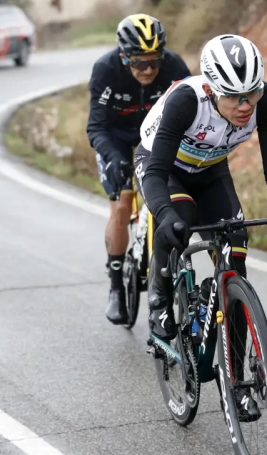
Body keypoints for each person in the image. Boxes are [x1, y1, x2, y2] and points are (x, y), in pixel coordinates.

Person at [135, 33, 267, 421]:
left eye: (251, 93)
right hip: (162, 168)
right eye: (234, 97)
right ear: (213, 88)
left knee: (236, 249)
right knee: (177, 221)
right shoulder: (187, 101)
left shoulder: (266, 102)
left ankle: (236, 383)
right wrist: (164, 216)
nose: (245, 105)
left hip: (210, 168)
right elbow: (155, 172)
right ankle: (159, 299)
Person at [86, 14, 191, 325]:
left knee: (169, 198)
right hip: (117, 140)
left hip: (159, 137)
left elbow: (192, 113)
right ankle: (116, 287)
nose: (147, 70)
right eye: (138, 63)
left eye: (154, 62)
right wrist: (113, 157)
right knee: (122, 205)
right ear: (123, 56)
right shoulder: (106, 69)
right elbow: (96, 127)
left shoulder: (174, 68)